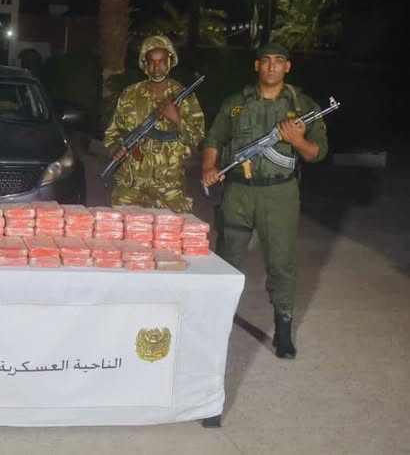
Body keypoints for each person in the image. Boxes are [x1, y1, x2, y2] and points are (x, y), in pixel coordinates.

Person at [201, 42, 329, 359]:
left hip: (279, 194)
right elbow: (215, 138)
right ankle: (216, 323)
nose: (272, 66)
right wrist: (209, 167)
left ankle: (283, 328)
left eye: (279, 61)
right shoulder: (235, 103)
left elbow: (317, 153)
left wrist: (297, 139)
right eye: (266, 61)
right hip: (238, 192)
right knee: (227, 259)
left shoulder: (303, 105)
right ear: (257, 65)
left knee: (281, 263)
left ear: (287, 67)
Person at [103, 34, 205, 212]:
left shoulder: (185, 98)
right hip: (131, 184)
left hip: (169, 187)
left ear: (170, 62)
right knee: (123, 227)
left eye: (162, 61)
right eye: (152, 62)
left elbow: (198, 138)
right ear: (145, 65)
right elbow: (112, 133)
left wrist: (177, 119)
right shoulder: (129, 95)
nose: (157, 67)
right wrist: (115, 149)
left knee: (170, 230)